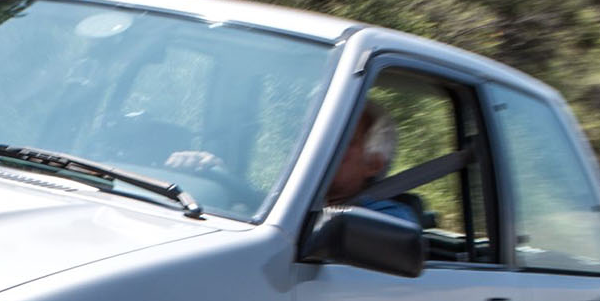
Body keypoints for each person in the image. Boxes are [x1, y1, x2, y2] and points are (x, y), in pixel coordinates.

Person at [162, 98, 422, 226]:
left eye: (345, 140)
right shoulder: (293, 196)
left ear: (374, 163)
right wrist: (213, 171)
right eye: (322, 134)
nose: (326, 146)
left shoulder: (392, 218)